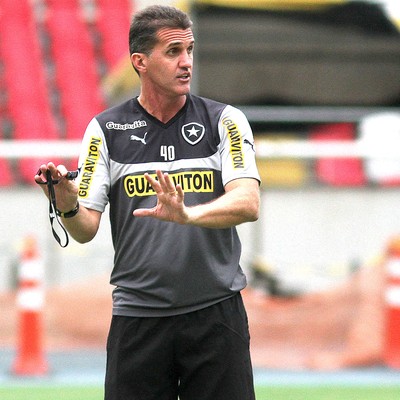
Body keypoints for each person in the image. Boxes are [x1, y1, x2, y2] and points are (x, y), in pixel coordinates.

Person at [35, 5, 260, 400]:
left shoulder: (225, 120)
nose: (186, 62)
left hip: (215, 315)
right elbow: (84, 228)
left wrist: (188, 214)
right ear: (140, 61)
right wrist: (67, 203)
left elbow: (247, 201)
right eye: (173, 52)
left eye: (189, 50)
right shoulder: (105, 130)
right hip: (138, 319)